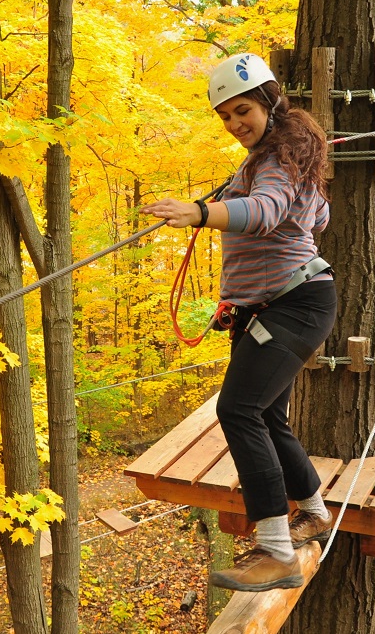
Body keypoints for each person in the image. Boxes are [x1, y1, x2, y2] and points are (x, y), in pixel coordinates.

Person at [142, 53, 337, 592]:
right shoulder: (279, 157)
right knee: (269, 415)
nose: (234, 124)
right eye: (225, 116)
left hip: (292, 305)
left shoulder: (275, 162)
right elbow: (315, 216)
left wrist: (202, 213)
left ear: (271, 101)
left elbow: (267, 211)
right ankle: (314, 511)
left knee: (239, 409)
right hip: (285, 304)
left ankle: (277, 552)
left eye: (243, 110)